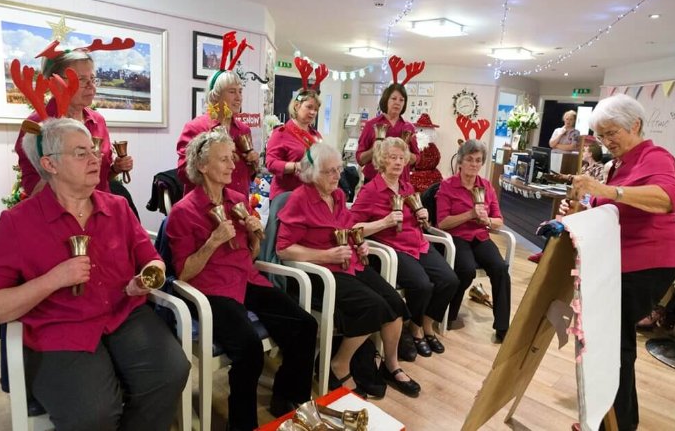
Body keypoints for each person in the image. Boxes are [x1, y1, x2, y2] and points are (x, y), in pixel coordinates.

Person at [0, 118, 190, 430]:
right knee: (93, 413)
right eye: (80, 153)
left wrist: (147, 278)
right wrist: (54, 279)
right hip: (58, 327)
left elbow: (153, 260)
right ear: (50, 164)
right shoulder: (16, 224)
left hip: (123, 313)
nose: (96, 158)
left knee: (171, 372)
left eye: (94, 150)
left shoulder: (117, 207)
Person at [167, 131, 317, 430]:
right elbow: (183, 273)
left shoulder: (237, 200)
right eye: (224, 159)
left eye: (232, 158)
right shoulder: (182, 213)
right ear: (203, 166)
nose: (232, 164)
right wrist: (212, 242)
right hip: (210, 290)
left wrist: (254, 234)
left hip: (246, 278)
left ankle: (288, 397)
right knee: (248, 349)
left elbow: (253, 254)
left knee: (305, 325)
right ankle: (242, 424)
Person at [564, 94, 675, 431]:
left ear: (636, 125)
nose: (606, 142)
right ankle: (610, 420)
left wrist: (608, 191)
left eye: (612, 133)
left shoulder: (655, 157)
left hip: (644, 263)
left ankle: (615, 422)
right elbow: (611, 211)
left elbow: (667, 199)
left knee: (611, 346)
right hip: (619, 262)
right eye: (600, 136)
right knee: (613, 345)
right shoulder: (621, 165)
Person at [276, 143, 421, 398]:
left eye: (338, 170)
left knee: (394, 303)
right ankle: (338, 364)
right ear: (312, 173)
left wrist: (359, 242)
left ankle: (391, 364)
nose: (336, 176)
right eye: (329, 171)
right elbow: (284, 249)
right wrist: (325, 255)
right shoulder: (300, 199)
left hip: (347, 264)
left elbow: (348, 227)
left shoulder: (338, 196)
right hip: (319, 272)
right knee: (373, 306)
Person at [350, 137, 459, 358]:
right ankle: (414, 329)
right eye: (392, 157)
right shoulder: (371, 191)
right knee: (422, 285)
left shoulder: (406, 187)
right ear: (382, 160)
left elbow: (418, 221)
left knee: (450, 280)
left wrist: (423, 217)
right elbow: (353, 227)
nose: (398, 162)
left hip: (418, 243)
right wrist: (384, 222)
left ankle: (425, 325)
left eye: (402, 158)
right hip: (392, 247)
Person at [14, 46, 133, 196]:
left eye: (92, 78)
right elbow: (34, 191)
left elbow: (100, 180)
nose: (91, 86)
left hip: (99, 211)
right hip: (58, 214)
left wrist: (115, 169)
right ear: (55, 82)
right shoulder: (37, 125)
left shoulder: (97, 121)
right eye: (81, 79)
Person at [436, 139, 511, 343]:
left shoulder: (486, 186)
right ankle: (449, 313)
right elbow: (442, 223)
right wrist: (470, 214)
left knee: (500, 268)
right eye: (470, 159)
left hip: (480, 236)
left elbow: (499, 220)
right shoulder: (447, 186)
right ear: (460, 161)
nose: (474, 164)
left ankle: (503, 326)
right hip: (457, 237)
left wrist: (488, 220)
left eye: (478, 160)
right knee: (466, 269)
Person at [177, 68, 259, 197]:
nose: (239, 98)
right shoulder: (196, 128)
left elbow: (245, 176)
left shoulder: (243, 130)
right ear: (215, 95)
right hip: (207, 206)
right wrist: (214, 159)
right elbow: (184, 173)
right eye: (232, 92)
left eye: (240, 91)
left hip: (239, 204)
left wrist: (252, 163)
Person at [356, 83, 419, 183]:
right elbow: (360, 159)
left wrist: (406, 153)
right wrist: (375, 149)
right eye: (394, 98)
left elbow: (417, 159)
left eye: (401, 100)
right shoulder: (371, 125)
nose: (397, 102)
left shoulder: (409, 128)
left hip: (401, 182)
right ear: (386, 100)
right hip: (374, 182)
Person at [265, 89, 322, 200]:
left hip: (309, 195)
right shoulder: (281, 133)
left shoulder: (316, 135)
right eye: (309, 107)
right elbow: (271, 163)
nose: (313, 112)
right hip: (286, 196)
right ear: (296, 106)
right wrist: (296, 166)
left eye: (316, 109)